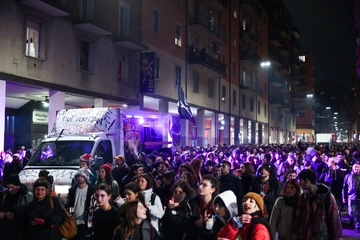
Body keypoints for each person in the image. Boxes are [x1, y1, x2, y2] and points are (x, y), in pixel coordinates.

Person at [295, 169, 342, 239]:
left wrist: (337, 238)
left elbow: (334, 220)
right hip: (305, 236)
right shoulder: (303, 197)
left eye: (300, 180)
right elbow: (298, 218)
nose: (299, 183)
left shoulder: (328, 197)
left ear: (307, 181)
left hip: (321, 237)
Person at [184, 174, 219, 240]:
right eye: (200, 184)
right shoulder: (192, 202)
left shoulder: (218, 205)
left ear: (212, 189)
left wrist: (206, 223)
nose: (200, 187)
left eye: (204, 185)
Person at [0, 174, 33, 240]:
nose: (10, 190)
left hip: (21, 230)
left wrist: (15, 216)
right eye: (8, 187)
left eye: (12, 187)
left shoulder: (26, 196)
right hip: (6, 229)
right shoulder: (5, 195)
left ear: (18, 185)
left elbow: (31, 214)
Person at [66, 168, 95, 240]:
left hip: (85, 221)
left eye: (81, 176)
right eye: (78, 176)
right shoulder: (72, 190)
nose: (79, 178)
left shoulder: (91, 190)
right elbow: (70, 204)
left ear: (86, 177)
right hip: (73, 221)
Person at [343, 161, 360, 231]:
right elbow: (344, 187)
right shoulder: (348, 176)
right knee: (351, 212)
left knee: (359, 212)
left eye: (358, 167)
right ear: (352, 167)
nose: (357, 168)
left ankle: (357, 226)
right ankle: (351, 223)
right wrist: (344, 197)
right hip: (351, 197)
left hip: (359, 197)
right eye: (355, 167)